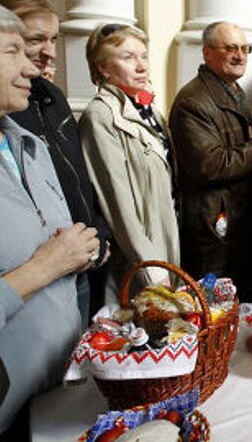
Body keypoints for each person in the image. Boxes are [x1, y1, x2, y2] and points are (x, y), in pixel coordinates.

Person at [0, 4, 100, 435]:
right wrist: (46, 266)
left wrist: (83, 251)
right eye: (13, 51)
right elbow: (47, 260)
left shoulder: (26, 144)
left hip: (58, 386)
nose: (31, 66)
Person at [0, 0, 111, 318]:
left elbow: (77, 178)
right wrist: (46, 265)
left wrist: (98, 233)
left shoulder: (51, 98)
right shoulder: (14, 110)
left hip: (77, 261)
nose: (49, 51)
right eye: (33, 41)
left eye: (53, 39)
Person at [79, 24, 177, 302]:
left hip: (161, 236)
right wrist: (150, 267)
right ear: (103, 68)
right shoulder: (100, 116)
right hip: (137, 255)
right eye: (128, 57)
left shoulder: (149, 111)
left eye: (143, 56)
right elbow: (117, 201)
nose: (141, 65)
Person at [169, 22, 252, 300]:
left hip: (237, 218)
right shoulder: (193, 101)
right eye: (230, 48)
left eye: (244, 48)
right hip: (213, 226)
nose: (240, 55)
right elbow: (209, 165)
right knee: (212, 307)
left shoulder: (232, 90)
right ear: (207, 53)